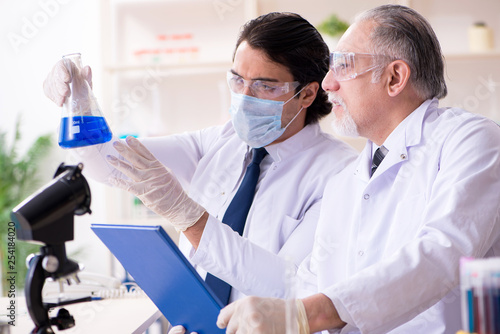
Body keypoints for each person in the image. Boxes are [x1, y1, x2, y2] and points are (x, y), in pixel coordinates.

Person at [43, 11, 357, 330]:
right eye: (237, 80)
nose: (244, 97)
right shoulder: (219, 142)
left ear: (306, 93)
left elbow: (290, 288)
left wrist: (188, 216)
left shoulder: (340, 173)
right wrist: (80, 104)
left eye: (265, 86)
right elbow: (108, 162)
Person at [216, 4, 500, 334]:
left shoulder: (470, 140)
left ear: (394, 77)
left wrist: (306, 315)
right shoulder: (345, 181)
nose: (327, 84)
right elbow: (310, 284)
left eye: (343, 66)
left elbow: (441, 255)